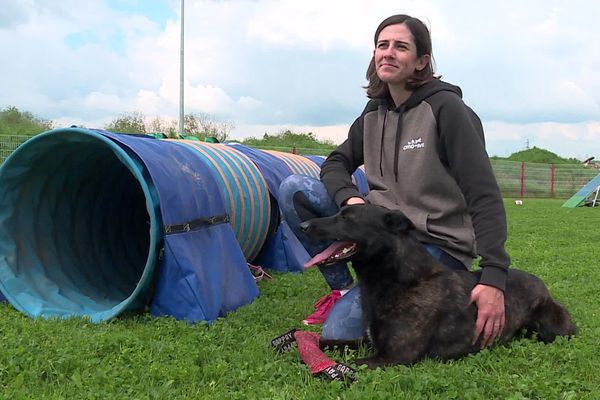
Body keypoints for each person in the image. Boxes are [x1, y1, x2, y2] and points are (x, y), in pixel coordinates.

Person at [278, 14, 510, 348]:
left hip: (434, 248)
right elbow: (336, 162)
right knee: (294, 189)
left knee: (340, 335)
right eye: (382, 45)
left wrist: (494, 277)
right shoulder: (373, 113)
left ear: (421, 61)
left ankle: (356, 305)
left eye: (401, 47)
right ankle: (344, 291)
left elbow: (484, 196)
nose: (388, 53)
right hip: (381, 235)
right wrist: (350, 200)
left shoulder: (447, 109)